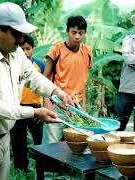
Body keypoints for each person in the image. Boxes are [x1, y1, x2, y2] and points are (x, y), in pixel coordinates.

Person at [0, 2, 73, 180]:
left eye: (22, 33)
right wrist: (34, 112)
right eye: (16, 33)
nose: (20, 39)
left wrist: (57, 92)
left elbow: (32, 76)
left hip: (2, 136)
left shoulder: (15, 52)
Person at [42, 15, 92, 143]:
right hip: (57, 103)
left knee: (76, 143)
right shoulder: (56, 50)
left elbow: (83, 80)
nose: (77, 36)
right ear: (67, 32)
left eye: (80, 33)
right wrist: (47, 104)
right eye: (73, 32)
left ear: (85, 33)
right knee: (51, 144)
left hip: (77, 105)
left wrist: (84, 105)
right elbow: (46, 77)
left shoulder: (87, 52)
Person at [10, 34, 45, 171]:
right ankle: (21, 167)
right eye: (22, 48)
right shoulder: (13, 65)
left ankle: (41, 166)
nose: (25, 52)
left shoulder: (39, 65)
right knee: (19, 139)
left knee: (39, 139)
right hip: (18, 106)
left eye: (28, 49)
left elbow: (44, 84)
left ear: (33, 49)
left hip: (36, 106)